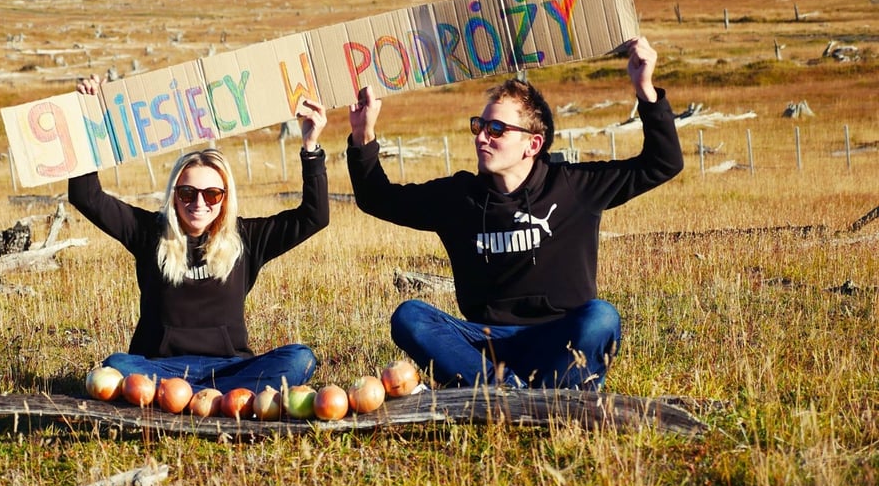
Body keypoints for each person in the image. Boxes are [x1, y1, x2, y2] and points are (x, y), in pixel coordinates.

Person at [346, 36, 683, 391]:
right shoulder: (458, 197)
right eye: (480, 126)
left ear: (532, 144)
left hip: (560, 339)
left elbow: (663, 164)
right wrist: (362, 133)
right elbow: (378, 199)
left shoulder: (574, 186)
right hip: (486, 344)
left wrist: (645, 90)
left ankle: (516, 392)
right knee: (410, 317)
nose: (481, 138)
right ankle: (509, 391)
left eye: (496, 130)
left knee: (601, 317)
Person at [69, 74, 330, 394]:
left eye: (212, 194)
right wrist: (86, 122)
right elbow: (86, 196)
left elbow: (313, 217)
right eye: (188, 192)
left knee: (299, 359)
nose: (199, 203)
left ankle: (182, 399)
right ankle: (221, 400)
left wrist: (310, 145)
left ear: (225, 196)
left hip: (230, 367)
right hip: (158, 366)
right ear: (174, 193)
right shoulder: (149, 232)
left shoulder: (246, 238)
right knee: (119, 364)